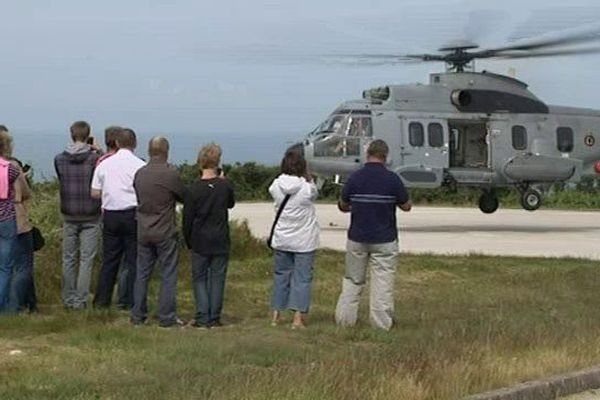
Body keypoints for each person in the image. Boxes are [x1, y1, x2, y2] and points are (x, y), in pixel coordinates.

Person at [335, 139, 411, 331]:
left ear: (367, 153)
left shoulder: (355, 178)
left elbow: (343, 205)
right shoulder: (393, 179)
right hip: (384, 238)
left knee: (353, 279)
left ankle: (345, 320)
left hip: (357, 237)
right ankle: (381, 324)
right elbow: (406, 206)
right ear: (386, 157)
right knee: (382, 282)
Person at [131, 137, 186, 327]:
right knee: (168, 273)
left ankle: (138, 315)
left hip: (143, 229)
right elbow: (183, 196)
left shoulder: (140, 173)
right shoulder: (170, 174)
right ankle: (167, 316)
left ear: (149, 151)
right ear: (166, 152)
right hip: (164, 230)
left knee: (142, 273)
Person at [91, 128, 145, 309]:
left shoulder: (104, 164)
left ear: (117, 143)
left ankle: (101, 300)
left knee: (110, 260)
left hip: (111, 215)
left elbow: (94, 192)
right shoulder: (140, 165)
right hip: (132, 214)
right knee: (133, 260)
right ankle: (130, 299)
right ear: (135, 144)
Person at [183, 143, 234, 329]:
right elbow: (231, 204)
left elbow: (187, 219)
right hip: (220, 237)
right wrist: (224, 181)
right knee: (218, 278)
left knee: (200, 278)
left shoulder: (193, 189)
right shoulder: (224, 186)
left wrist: (187, 239)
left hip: (200, 238)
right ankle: (214, 316)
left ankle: (202, 315)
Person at [268, 150, 319, 329]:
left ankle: (276, 315)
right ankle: (297, 319)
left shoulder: (276, 185)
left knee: (281, 276)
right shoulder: (307, 188)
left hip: (282, 238)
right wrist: (309, 178)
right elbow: (314, 192)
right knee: (302, 278)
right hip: (304, 240)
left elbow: (273, 190)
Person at [54, 121, 102, 309]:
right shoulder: (94, 159)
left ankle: (68, 298)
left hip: (69, 213)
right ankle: (81, 300)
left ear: (71, 135)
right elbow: (103, 173)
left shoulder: (59, 158)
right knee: (86, 259)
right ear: (88, 136)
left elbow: (61, 178)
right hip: (90, 214)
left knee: (68, 258)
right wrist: (97, 149)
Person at [0, 127, 36, 313]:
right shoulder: (11, 168)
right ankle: (9, 306)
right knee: (16, 266)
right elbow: (24, 193)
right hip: (11, 218)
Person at [0, 130, 23, 313]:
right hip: (7, 218)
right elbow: (19, 196)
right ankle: (3, 305)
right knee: (6, 266)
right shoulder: (12, 168)